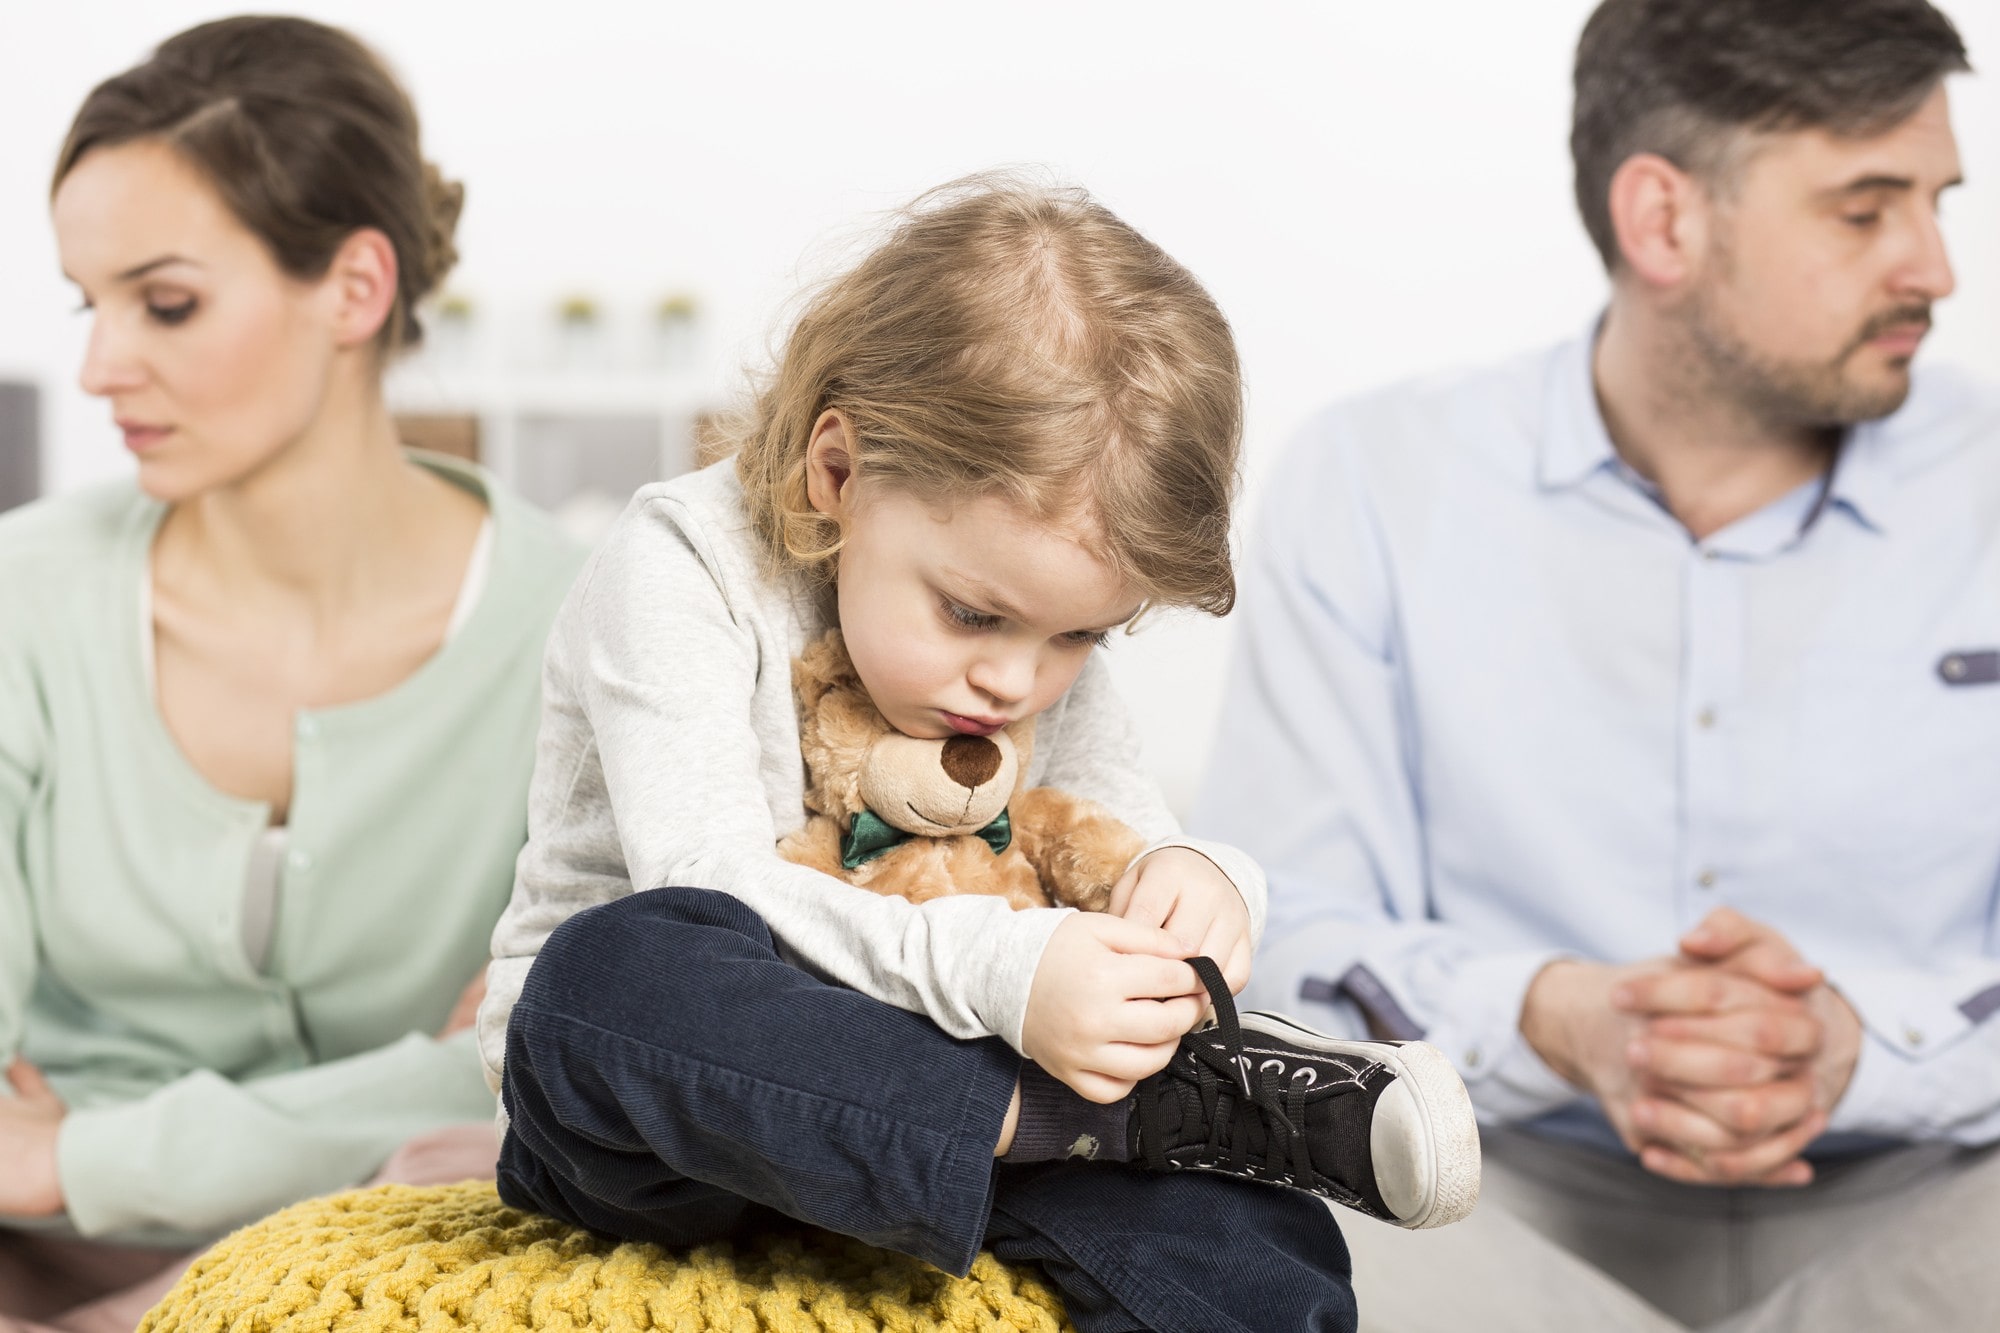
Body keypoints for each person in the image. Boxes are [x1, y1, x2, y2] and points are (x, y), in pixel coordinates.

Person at [480, 177, 1482, 1333]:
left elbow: (1111, 832)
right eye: (971, 616)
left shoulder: (1028, 631)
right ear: (838, 472)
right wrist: (1012, 977)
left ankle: (1129, 1121)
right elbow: (707, 889)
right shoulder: (678, 564)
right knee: (613, 976)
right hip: (671, 1131)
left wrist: (1201, 884)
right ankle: (1096, 1119)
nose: (1016, 679)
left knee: (1250, 1245)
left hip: (965, 1108)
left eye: (1077, 635)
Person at [1196, 1, 2000, 1329]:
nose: (1935, 267)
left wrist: (1865, 1048)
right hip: (1493, 1216)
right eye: (1866, 212)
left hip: (1931, 1209)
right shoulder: (1375, 482)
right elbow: (1284, 931)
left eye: (1938, 202)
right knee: (1220, 1188)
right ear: (1664, 220)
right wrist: (1554, 1016)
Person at [0, 16, 583, 1331]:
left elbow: (529, 1075)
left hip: (398, 1258)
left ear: (354, 289)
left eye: (165, 303)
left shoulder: (578, 634)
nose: (100, 366)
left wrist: (71, 1149)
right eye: (86, 305)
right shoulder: (23, 599)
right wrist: (400, 1085)